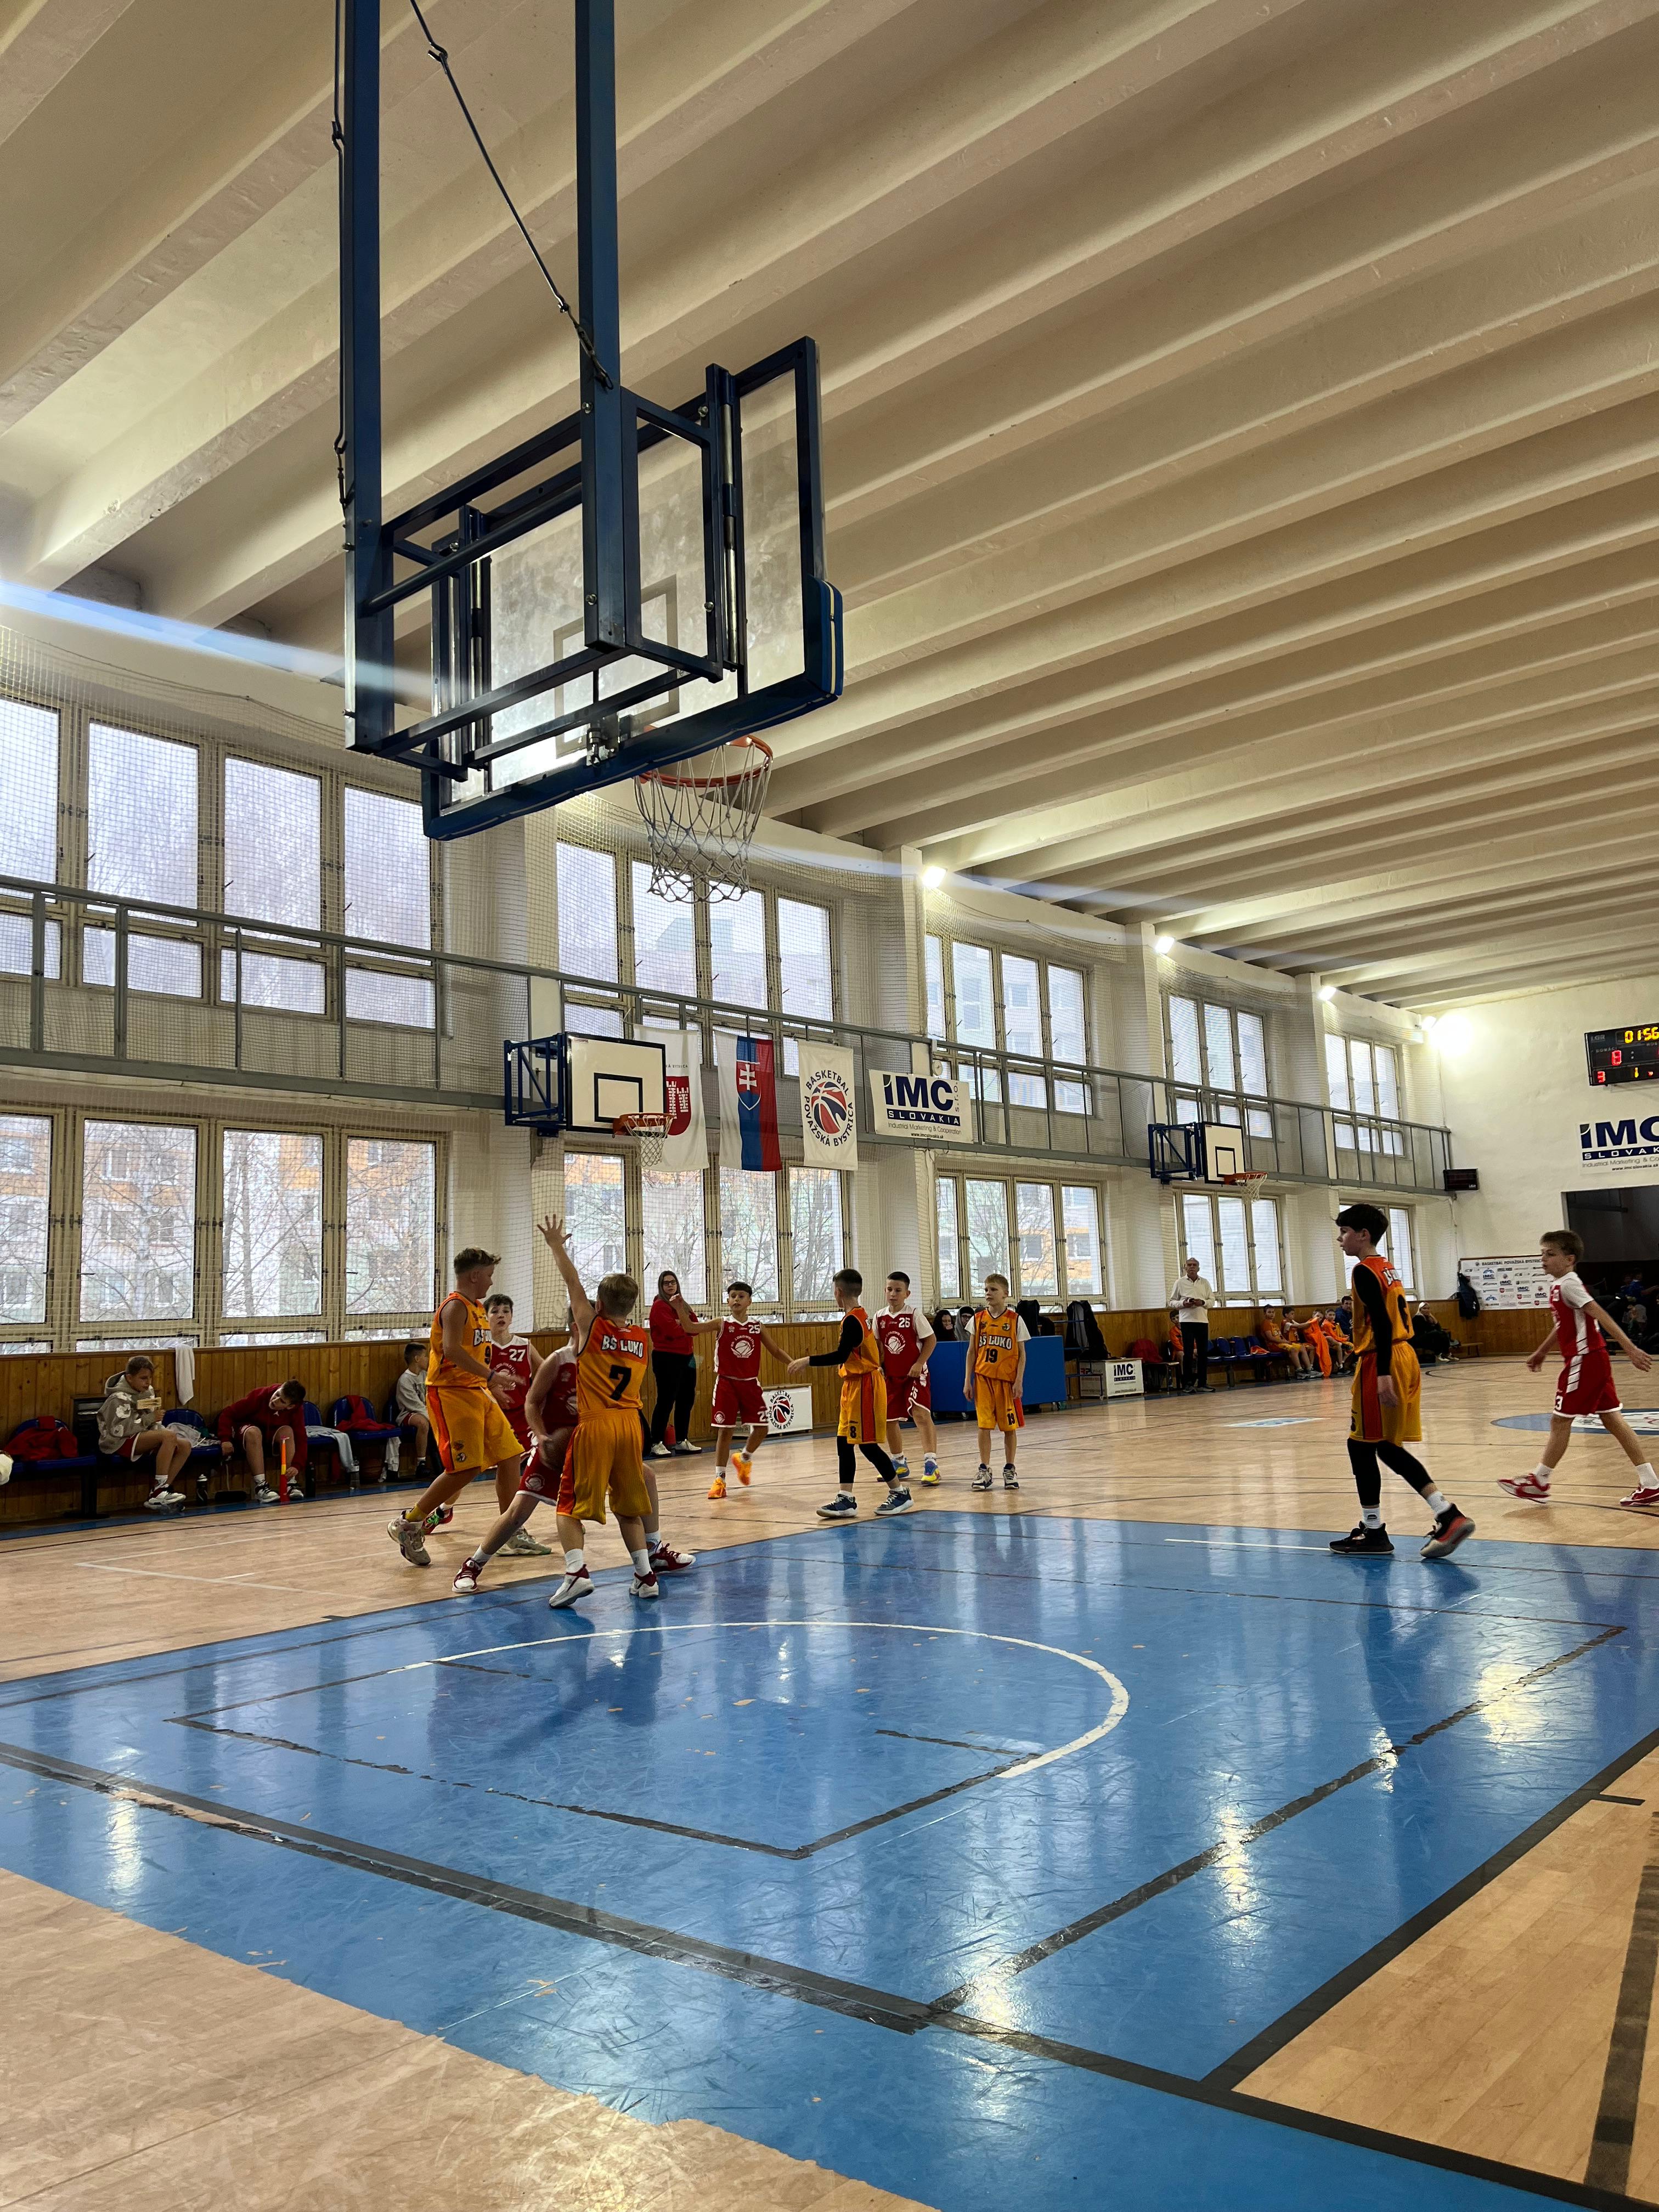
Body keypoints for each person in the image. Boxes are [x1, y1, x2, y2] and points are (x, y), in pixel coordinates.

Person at [1329, 1203, 1472, 1561]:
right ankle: (1440, 1514)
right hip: (1402, 1355)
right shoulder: (1387, 1267)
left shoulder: (1363, 1270)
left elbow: (1381, 1321)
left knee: (1362, 1445)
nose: (1340, 1239)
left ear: (1363, 1235)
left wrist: (1382, 1374)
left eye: (1344, 1232)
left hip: (1384, 1359)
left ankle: (1384, 1528)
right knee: (1382, 1445)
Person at [538, 1216, 661, 1606]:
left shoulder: (593, 1327)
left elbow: (573, 1283)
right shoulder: (641, 1337)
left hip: (597, 1424)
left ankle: (575, 1572)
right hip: (631, 1425)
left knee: (567, 1506)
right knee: (628, 1506)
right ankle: (645, 1576)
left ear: (600, 1304)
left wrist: (557, 1245)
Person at [387, 1246, 524, 1568]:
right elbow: (451, 1351)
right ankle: (410, 1522)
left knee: (510, 1456)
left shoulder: (477, 1308)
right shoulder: (455, 1307)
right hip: (451, 1394)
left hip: (477, 1391)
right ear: (475, 1275)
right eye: (488, 1275)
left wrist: (490, 1384)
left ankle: (510, 1532)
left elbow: (475, 1355)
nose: (491, 1282)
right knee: (465, 1468)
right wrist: (492, 1376)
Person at [1500, 1229, 1657, 1508]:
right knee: (1612, 1419)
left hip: (1584, 1360)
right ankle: (1651, 1483)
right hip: (1593, 1359)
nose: (1544, 1259)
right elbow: (1565, 1323)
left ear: (1569, 1259)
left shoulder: (1569, 1285)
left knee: (1560, 1420)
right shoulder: (1560, 1284)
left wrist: (1630, 1348)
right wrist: (1542, 1350)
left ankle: (1539, 1481)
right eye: (1542, 1254)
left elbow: (1600, 1314)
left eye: (1550, 1254)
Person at [454, 1337, 579, 1592]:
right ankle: (473, 1564)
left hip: (589, 1445)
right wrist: (541, 1436)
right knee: (517, 1512)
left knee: (641, 1481)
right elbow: (532, 1401)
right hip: (553, 1446)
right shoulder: (559, 1360)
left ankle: (648, 1556)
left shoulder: (604, 1360)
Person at [787, 1268, 910, 1520]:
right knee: (844, 1442)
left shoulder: (854, 1320)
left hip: (865, 1386)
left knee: (867, 1445)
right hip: (854, 1385)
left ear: (839, 1292)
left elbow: (841, 1355)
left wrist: (807, 1361)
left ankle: (900, 1493)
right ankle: (846, 1499)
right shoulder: (859, 1315)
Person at [673, 1280, 792, 1498]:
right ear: (728, 1301)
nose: (736, 1299)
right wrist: (680, 1307)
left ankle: (744, 1458)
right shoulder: (722, 1323)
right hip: (726, 1383)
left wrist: (792, 1362)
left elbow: (775, 1350)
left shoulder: (757, 1326)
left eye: (741, 1296)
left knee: (762, 1428)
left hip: (750, 1383)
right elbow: (690, 1328)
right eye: (733, 1296)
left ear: (750, 1301)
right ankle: (720, 1479)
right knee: (725, 1431)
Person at [484, 1292, 551, 1557]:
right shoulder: (482, 1347)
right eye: (495, 1311)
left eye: (506, 1311)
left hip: (522, 1418)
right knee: (464, 1471)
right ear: (486, 1317)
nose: (501, 1315)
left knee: (545, 1462)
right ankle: (442, 1510)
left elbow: (547, 1372)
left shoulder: (524, 1345)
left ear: (512, 1317)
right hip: (491, 1417)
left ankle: (567, 1512)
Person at [98, 1356, 199, 1511]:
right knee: (169, 1436)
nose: (148, 1382)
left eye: (150, 1378)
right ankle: (159, 1492)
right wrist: (151, 1419)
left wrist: (156, 1424)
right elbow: (119, 1429)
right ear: (130, 1378)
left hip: (142, 1435)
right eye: (143, 1378)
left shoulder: (148, 1391)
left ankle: (162, 1490)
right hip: (119, 1441)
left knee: (185, 1446)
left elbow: (151, 1419)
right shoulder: (118, 1398)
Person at [879, 1270, 940, 1484]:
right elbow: (878, 1347)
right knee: (889, 1420)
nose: (893, 1294)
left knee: (921, 1415)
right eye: (890, 1289)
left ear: (907, 1294)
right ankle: (899, 1462)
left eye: (898, 1290)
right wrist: (878, 1366)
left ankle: (931, 1464)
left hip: (915, 1374)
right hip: (892, 1376)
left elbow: (931, 1340)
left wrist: (919, 1363)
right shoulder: (879, 1317)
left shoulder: (914, 1315)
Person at [967, 1272, 1026, 1491]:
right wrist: (967, 1381)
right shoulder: (977, 1319)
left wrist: (1019, 1381)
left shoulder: (1015, 1319)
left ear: (1005, 1294)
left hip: (1006, 1381)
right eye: (986, 1290)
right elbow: (971, 1352)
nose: (988, 1293)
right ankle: (984, 1469)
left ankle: (1010, 1469)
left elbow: (1022, 1354)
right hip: (983, 1379)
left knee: (1009, 1428)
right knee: (984, 1426)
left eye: (993, 1290)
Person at [217, 1379, 309, 1504]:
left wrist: (296, 1465)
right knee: (254, 1433)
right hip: (247, 1430)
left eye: (282, 1401)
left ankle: (289, 1482)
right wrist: (225, 1439)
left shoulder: (296, 1410)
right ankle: (261, 1487)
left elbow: (301, 1437)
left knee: (288, 1432)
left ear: (290, 1406)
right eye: (277, 1394)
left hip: (270, 1433)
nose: (275, 1400)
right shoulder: (260, 1396)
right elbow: (228, 1413)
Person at [645, 1271, 701, 1459]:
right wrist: (684, 1324)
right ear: (661, 1286)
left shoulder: (682, 1304)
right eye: (666, 1283)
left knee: (687, 1399)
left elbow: (695, 1328)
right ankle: (656, 1442)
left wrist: (681, 1322)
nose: (670, 1286)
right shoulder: (659, 1306)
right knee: (666, 1399)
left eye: (673, 1282)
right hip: (667, 1357)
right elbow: (672, 1330)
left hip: (688, 1357)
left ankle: (682, 1440)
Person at [1167, 1257, 1215, 1391]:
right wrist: (1183, 1303)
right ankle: (1188, 1384)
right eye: (1189, 1265)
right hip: (1187, 1322)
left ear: (1199, 1268)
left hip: (1202, 1321)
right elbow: (1171, 1302)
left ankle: (1202, 1383)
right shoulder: (1180, 1282)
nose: (1192, 1267)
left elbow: (1212, 1301)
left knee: (1203, 1353)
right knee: (1188, 1353)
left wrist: (1203, 1302)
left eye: (1194, 1265)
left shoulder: (1204, 1282)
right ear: (1185, 1268)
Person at [393, 1340, 432, 1479]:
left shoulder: (425, 1376)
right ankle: (421, 1463)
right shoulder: (405, 1380)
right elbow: (415, 1405)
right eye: (425, 1356)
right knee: (423, 1423)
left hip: (425, 1411)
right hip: (408, 1413)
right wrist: (432, 1417)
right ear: (417, 1359)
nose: (428, 1359)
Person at [1256, 1305, 1315, 1378]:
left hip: (1281, 1343)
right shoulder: (1266, 1323)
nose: (1272, 1314)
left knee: (1302, 1348)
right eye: (1269, 1312)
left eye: (1273, 1312)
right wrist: (1285, 1342)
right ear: (1265, 1314)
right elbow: (1270, 1338)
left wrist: (1286, 1341)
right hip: (1274, 1345)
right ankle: (1299, 1371)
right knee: (1293, 1350)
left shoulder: (1275, 1324)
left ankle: (1309, 1370)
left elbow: (1280, 1336)